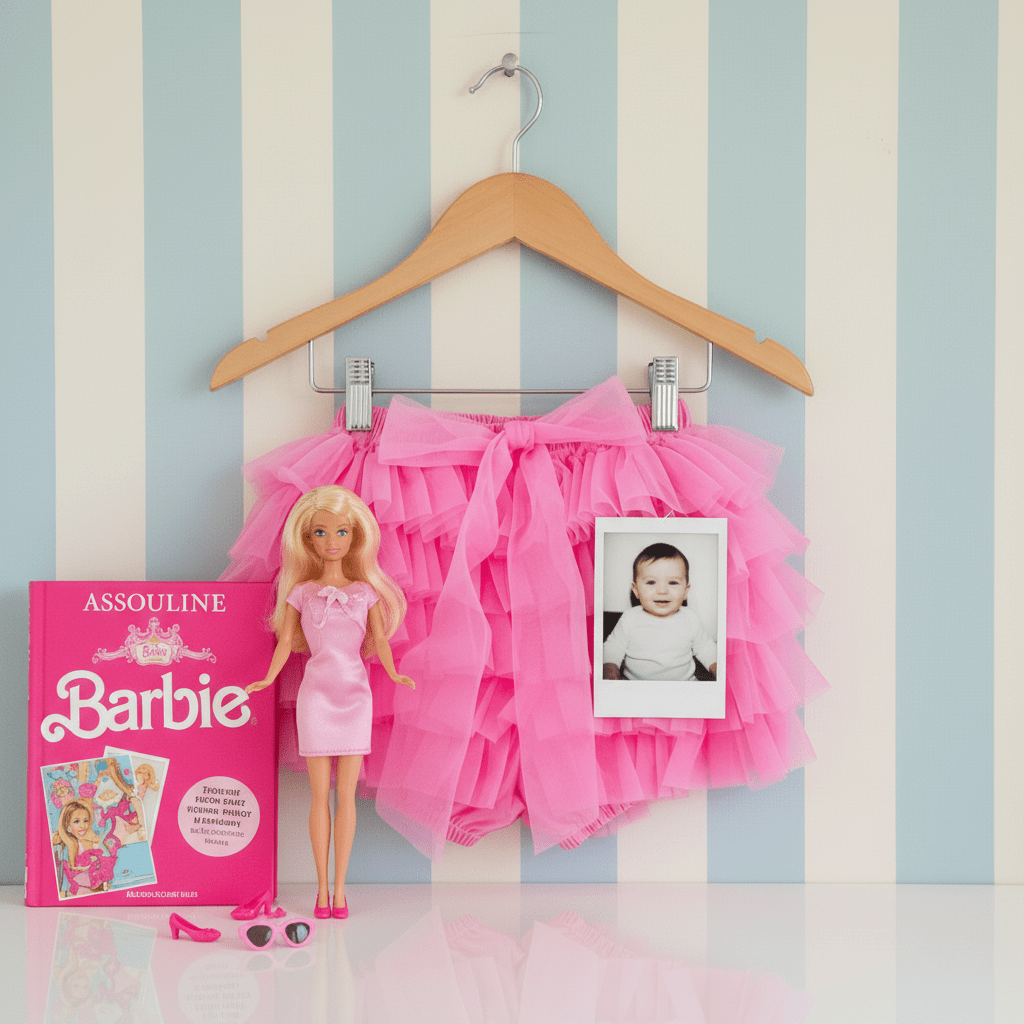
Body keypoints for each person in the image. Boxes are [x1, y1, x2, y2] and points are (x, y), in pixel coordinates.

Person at [247, 485, 415, 920]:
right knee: (318, 795)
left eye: (341, 531)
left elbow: (379, 639)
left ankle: (340, 891)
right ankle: (321, 891)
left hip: (355, 697)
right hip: (316, 698)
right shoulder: (301, 593)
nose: (332, 541)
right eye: (321, 532)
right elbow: (286, 641)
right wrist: (267, 677)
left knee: (346, 798)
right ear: (308, 539)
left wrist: (394, 673)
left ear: (356, 536)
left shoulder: (364, 592)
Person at [603, 542, 717, 681]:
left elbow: (705, 648)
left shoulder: (690, 618)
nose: (662, 591)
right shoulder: (630, 618)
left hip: (684, 689)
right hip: (637, 690)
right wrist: (610, 668)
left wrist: (716, 665)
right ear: (636, 590)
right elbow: (613, 648)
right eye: (651, 582)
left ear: (686, 591)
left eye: (673, 583)